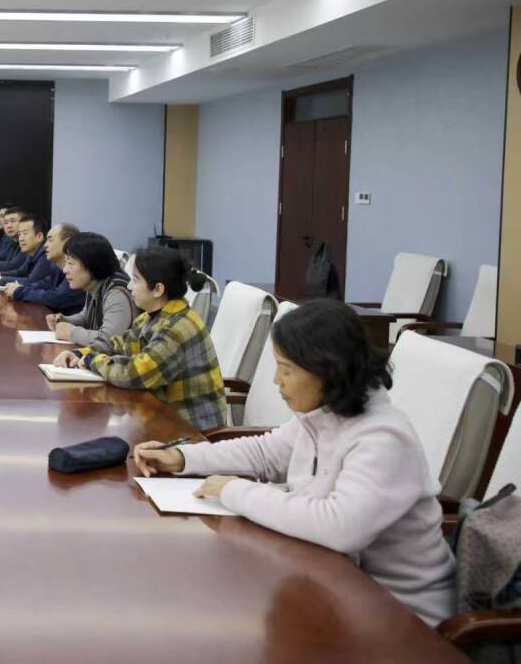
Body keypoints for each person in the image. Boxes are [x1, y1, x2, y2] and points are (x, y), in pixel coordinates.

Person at [132, 300, 455, 627]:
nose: (277, 380)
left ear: (326, 371)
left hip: (400, 615)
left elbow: (340, 527)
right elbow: (263, 452)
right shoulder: (325, 413)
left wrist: (234, 491)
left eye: (286, 369)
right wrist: (183, 457)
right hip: (336, 585)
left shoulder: (383, 438)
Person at [54, 245, 228, 431]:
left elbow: (135, 373)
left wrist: (92, 361)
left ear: (158, 289)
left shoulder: (176, 329)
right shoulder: (151, 317)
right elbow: (118, 345)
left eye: (135, 280)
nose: (129, 286)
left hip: (193, 431)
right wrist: (80, 354)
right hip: (164, 417)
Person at [45, 231, 134, 346]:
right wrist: (63, 320)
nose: (65, 270)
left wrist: (71, 333)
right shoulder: (95, 284)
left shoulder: (116, 293)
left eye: (70, 263)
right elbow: (86, 316)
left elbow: (110, 340)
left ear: (92, 264)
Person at [4, 222, 85, 314]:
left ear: (67, 242)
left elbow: (58, 298)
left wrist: (19, 291)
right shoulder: (56, 267)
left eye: (50, 240)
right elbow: (44, 284)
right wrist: (20, 287)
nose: (45, 245)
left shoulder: (79, 269)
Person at [0, 212, 44, 283]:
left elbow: (31, 281)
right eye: (19, 234)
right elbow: (20, 273)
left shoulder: (45, 255)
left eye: (25, 233)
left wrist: (0, 279)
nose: (21, 239)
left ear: (39, 237)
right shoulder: (31, 253)